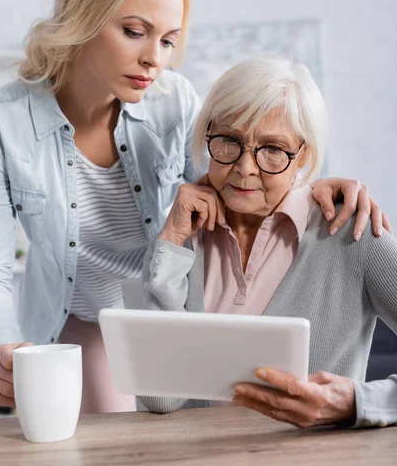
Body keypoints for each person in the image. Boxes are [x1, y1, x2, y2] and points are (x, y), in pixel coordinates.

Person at [0, 0, 389, 414]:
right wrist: (6, 344)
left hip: (157, 302)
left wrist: (310, 185)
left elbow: (233, 178)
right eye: (134, 31)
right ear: (83, 17)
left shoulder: (173, 100)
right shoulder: (11, 122)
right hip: (71, 314)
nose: (154, 59)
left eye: (167, 40)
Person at [141, 56, 397, 429]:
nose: (245, 167)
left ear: (303, 156)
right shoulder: (182, 236)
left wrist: (359, 402)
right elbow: (158, 396)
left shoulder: (352, 234)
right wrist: (172, 242)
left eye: (273, 149)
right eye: (229, 141)